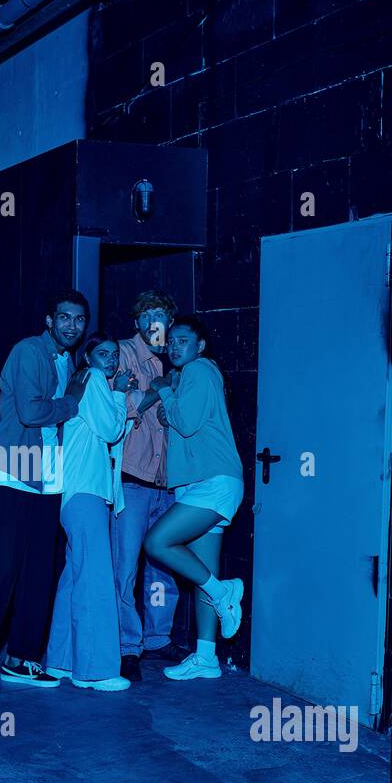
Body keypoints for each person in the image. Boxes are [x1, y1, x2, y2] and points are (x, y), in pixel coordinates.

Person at [0, 292, 89, 703]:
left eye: (79, 320)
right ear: (50, 319)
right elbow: (31, 413)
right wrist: (72, 401)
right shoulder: (28, 351)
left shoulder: (67, 360)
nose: (72, 326)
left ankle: (21, 659)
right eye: (65, 318)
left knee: (38, 576)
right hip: (13, 475)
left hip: (48, 482)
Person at [143, 315, 244, 680]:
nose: (174, 346)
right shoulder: (192, 377)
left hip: (213, 482)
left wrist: (165, 389)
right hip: (198, 483)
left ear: (200, 346)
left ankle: (225, 591)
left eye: (182, 340)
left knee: (157, 542)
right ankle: (206, 657)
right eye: (171, 341)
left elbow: (184, 422)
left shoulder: (199, 370)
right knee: (204, 573)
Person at [46, 334, 132, 691]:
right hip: (86, 492)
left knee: (74, 577)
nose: (110, 361)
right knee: (95, 577)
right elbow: (111, 430)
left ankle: (63, 661)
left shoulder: (80, 381)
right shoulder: (95, 379)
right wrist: (119, 393)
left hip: (74, 493)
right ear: (89, 357)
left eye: (114, 355)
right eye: (102, 354)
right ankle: (95, 671)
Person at [110, 291, 180, 684]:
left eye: (163, 314)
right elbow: (120, 405)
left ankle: (157, 637)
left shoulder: (176, 357)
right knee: (125, 567)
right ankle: (126, 647)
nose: (156, 321)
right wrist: (158, 388)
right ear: (137, 320)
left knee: (162, 564)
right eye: (149, 314)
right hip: (131, 480)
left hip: (166, 482)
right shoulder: (120, 353)